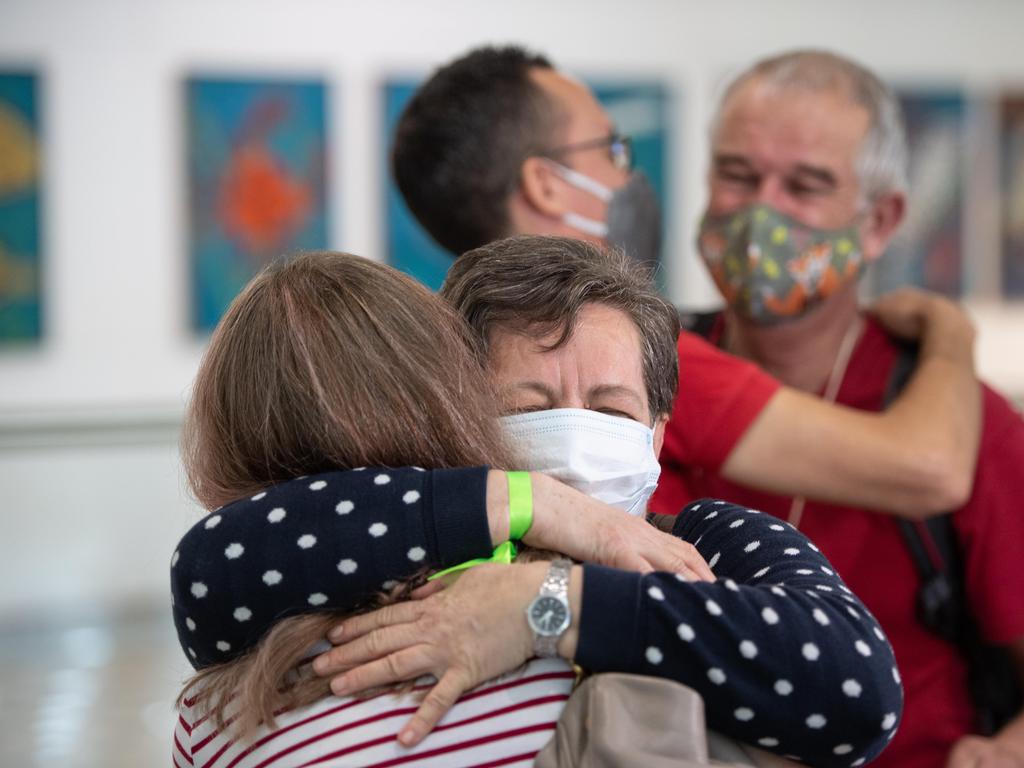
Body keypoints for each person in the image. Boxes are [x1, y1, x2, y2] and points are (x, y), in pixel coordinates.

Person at [176, 236, 904, 767]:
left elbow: (861, 689)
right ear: (460, 417)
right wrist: (534, 507)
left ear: (658, 436)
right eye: (532, 406)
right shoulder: (405, 553)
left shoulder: (706, 543)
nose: (578, 433)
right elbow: (213, 570)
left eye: (612, 410)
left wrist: (546, 603)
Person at [391, 44, 980, 517]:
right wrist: (950, 330)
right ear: (547, 186)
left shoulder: (434, 350)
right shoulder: (623, 362)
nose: (629, 173)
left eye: (804, 185)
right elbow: (930, 467)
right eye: (611, 149)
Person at [660, 50, 1024, 768]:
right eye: (737, 174)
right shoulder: (640, 376)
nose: (761, 210)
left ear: (880, 221)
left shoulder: (966, 423)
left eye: (806, 185)